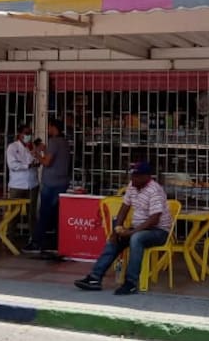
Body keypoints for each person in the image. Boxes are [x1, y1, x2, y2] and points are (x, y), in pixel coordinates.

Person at [75, 161, 171, 296]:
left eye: (136, 176)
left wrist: (131, 233)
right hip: (139, 228)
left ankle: (131, 283)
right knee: (114, 239)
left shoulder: (155, 190)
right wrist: (117, 229)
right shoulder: (132, 186)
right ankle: (94, 278)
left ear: (146, 176)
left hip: (158, 231)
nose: (132, 179)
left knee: (136, 239)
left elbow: (154, 219)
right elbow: (124, 208)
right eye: (132, 176)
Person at [36, 120, 71, 251]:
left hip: (51, 183)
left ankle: (38, 241)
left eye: (49, 127)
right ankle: (57, 241)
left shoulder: (54, 142)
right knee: (57, 213)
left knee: (45, 212)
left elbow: (47, 162)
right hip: (62, 182)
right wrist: (45, 151)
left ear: (53, 127)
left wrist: (37, 154)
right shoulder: (65, 142)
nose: (47, 129)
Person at [6, 122, 41, 248]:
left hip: (32, 184)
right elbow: (13, 165)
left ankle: (33, 239)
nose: (28, 136)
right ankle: (10, 238)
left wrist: (37, 157)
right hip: (17, 185)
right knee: (13, 213)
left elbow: (38, 160)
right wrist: (28, 166)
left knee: (32, 214)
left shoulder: (32, 147)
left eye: (30, 133)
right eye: (26, 133)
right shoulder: (12, 147)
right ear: (19, 134)